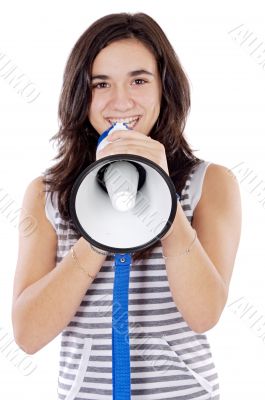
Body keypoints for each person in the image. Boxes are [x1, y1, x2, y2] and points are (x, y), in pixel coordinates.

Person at [12, 12, 241, 400]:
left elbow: (204, 314)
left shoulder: (211, 183)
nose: (121, 101)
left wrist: (159, 196)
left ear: (164, 88)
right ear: (80, 94)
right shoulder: (45, 194)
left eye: (138, 80)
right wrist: (102, 225)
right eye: (101, 84)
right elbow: (28, 336)